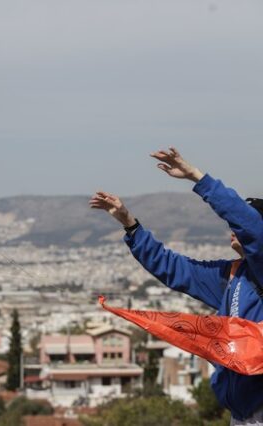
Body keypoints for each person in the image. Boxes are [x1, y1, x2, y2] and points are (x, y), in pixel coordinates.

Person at [89, 147, 263, 424]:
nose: (234, 228)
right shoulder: (231, 274)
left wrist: (197, 177)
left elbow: (250, 225)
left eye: (240, 225)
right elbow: (174, 269)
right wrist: (130, 225)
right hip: (241, 413)